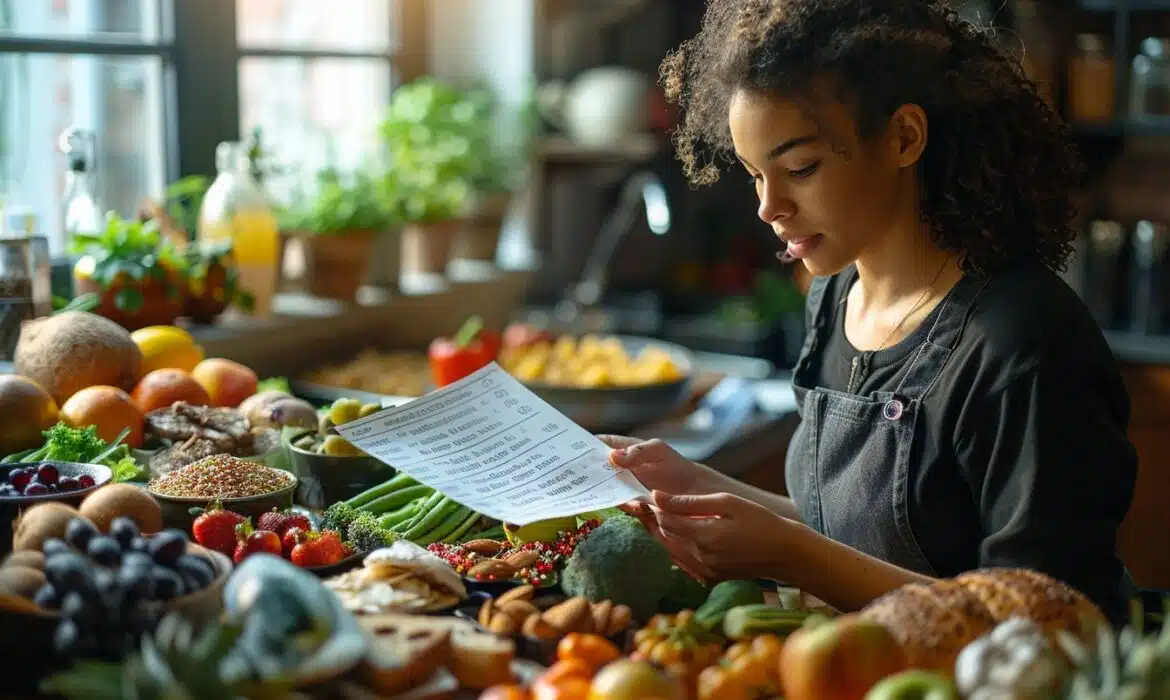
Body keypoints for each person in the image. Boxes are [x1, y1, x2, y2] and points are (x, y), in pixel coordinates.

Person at [602, 0, 1137, 622]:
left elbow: (1043, 622)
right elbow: (856, 530)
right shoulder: (835, 293)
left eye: (800, 168)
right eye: (754, 174)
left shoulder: (1026, 344)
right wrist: (693, 485)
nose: (768, 207)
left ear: (904, 137)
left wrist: (791, 557)